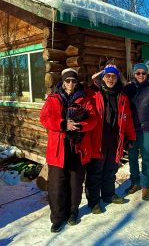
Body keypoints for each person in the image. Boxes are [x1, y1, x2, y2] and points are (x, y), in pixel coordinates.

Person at [40, 68, 97, 233]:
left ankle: (73, 212)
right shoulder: (53, 99)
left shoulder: (84, 99)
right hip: (58, 148)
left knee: (75, 183)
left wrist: (80, 126)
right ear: (63, 82)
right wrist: (63, 124)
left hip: (78, 148)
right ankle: (57, 218)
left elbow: (93, 119)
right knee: (57, 185)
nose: (71, 84)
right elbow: (44, 118)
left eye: (73, 81)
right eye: (68, 81)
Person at [85, 64, 136, 214]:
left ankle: (108, 195)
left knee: (110, 170)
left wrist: (131, 137)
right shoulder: (93, 94)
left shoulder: (122, 97)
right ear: (102, 78)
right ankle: (93, 201)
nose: (110, 79)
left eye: (114, 76)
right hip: (97, 141)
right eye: (107, 76)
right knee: (95, 172)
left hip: (114, 141)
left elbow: (128, 118)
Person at [123, 63, 149, 201]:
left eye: (143, 73)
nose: (141, 75)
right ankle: (135, 182)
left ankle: (145, 185)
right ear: (134, 74)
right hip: (131, 129)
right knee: (132, 157)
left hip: (146, 129)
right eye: (138, 73)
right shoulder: (128, 89)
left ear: (147, 74)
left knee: (146, 157)